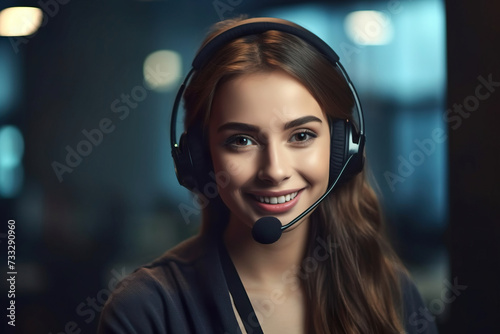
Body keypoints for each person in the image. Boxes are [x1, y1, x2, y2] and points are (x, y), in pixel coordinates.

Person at [98, 16, 439, 334]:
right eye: (241, 140)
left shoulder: (392, 294)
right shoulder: (146, 310)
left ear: (343, 148)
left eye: (301, 136)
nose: (274, 171)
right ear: (199, 157)